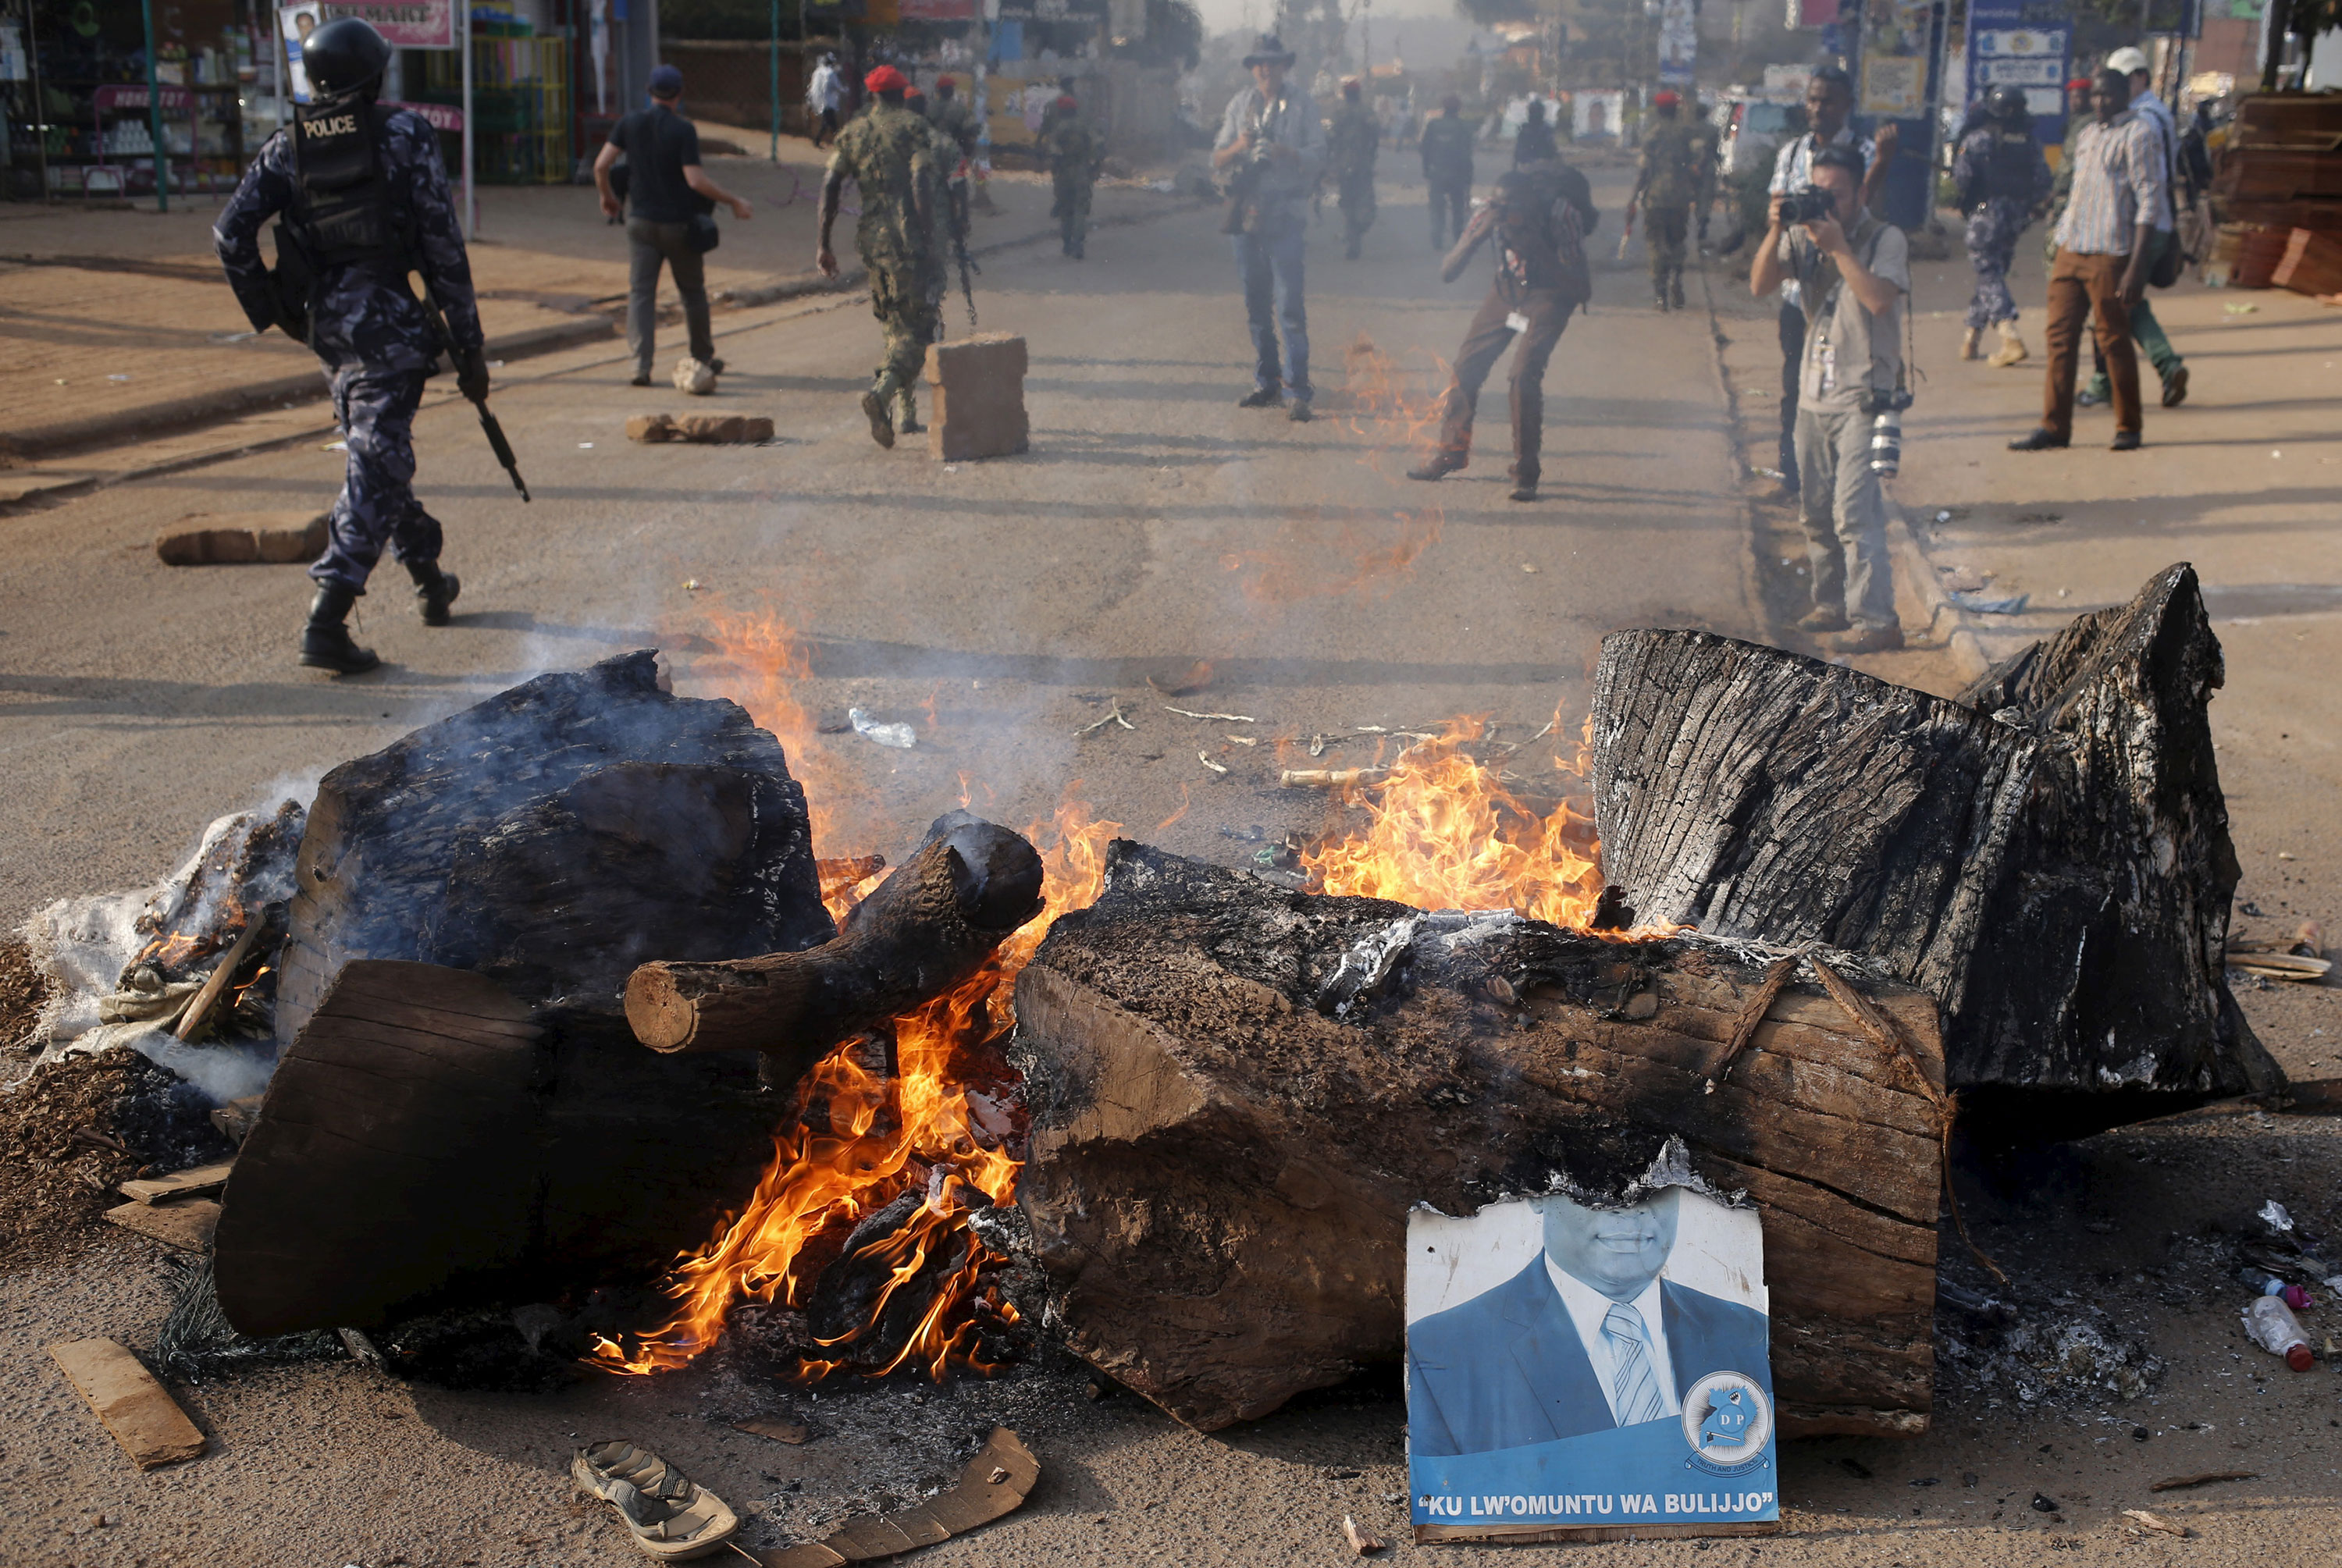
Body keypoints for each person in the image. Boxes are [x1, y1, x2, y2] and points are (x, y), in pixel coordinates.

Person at [213, 16, 481, 676]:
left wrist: (276, 311)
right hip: (391, 324)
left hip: (330, 330)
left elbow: (229, 234)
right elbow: (442, 246)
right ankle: (329, 616)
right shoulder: (404, 134)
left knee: (376, 449)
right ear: (375, 74)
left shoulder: (288, 147)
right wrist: (469, 344)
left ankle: (428, 575)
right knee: (376, 454)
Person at [1407, 1189, 1771, 1456]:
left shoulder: (1748, 1334)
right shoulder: (1442, 1350)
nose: (1629, 1205)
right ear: (1534, 1190)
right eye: (1593, 1181)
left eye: (1659, 1179)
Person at [1749, 140, 1911, 653]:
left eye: (1836, 193)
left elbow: (1879, 299)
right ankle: (1831, 604)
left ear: (1861, 191)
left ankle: (1879, 620)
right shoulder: (1806, 236)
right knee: (1815, 511)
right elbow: (1759, 284)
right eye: (1818, 192)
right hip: (1814, 393)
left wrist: (1840, 246)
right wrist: (1778, 225)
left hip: (1864, 394)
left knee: (1854, 513)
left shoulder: (1885, 237)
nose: (1826, 201)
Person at [1402, 168, 1593, 503]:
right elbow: (1448, 272)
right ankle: (1451, 452)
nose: (1512, 218)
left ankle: (1525, 472)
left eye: (1519, 209)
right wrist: (1478, 236)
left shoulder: (1561, 214)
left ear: (1534, 202)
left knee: (1523, 375)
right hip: (1507, 290)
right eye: (1506, 210)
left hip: (1550, 292)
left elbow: (1582, 288)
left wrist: (1540, 251)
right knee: (1466, 367)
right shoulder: (1490, 214)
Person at [2010, 69, 2166, 453]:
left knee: (2112, 339)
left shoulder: (2139, 133)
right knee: (2059, 338)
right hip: (2071, 245)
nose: (2100, 101)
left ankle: (2129, 425)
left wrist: (2135, 266)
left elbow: (2149, 200)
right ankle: (2055, 427)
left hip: (2110, 251)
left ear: (2124, 94)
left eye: (2108, 94)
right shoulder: (2087, 134)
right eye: (2096, 95)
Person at [1764, 66, 1894, 496]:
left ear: (1847, 106)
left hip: (1846, 293)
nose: (1818, 108)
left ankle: (1845, 482)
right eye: (1813, 99)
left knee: (1848, 392)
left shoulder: (1864, 150)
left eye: (1828, 101)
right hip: (1798, 291)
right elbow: (1780, 211)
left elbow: (1865, 206)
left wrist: (1882, 164)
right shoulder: (1791, 152)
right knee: (1795, 388)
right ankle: (1794, 478)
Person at [595, 66, 752, 390]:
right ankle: (702, 359)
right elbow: (695, 180)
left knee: (641, 294)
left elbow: (601, 165)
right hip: (678, 226)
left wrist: (608, 197)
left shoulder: (629, 123)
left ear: (648, 92)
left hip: (639, 223)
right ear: (678, 95)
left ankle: (640, 365)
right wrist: (734, 200)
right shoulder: (683, 130)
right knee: (693, 294)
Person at [817, 62, 938, 448]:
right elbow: (921, 179)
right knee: (919, 328)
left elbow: (831, 184)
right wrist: (929, 236)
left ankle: (907, 415)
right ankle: (883, 393)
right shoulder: (913, 127)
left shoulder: (851, 132)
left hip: (872, 241)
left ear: (871, 95)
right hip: (907, 240)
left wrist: (823, 243)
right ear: (903, 93)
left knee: (892, 322)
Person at [1212, 33, 1327, 421]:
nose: (1265, 69)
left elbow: (1320, 153)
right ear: (1253, 68)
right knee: (1256, 304)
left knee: (1289, 305)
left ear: (1284, 67)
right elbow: (1217, 157)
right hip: (1246, 216)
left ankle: (1297, 390)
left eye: (1273, 62)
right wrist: (1240, 147)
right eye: (1259, 63)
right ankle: (1267, 382)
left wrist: (1288, 153)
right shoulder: (1239, 105)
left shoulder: (1303, 104)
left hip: (1286, 214)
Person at [2077, 46, 2187, 408]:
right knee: (2126, 303)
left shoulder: (2142, 122)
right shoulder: (2157, 112)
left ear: (2138, 78)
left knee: (2110, 304)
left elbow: (2144, 188)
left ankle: (2104, 381)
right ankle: (2165, 366)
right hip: (2151, 222)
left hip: (2137, 226)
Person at [1952, 84, 2051, 364]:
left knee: (1988, 275)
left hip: (1984, 218)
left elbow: (1962, 180)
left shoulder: (1977, 140)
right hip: (2016, 219)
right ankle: (1971, 338)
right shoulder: (2030, 143)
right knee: (1992, 275)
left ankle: (2010, 334)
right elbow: (2043, 182)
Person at [1629, 88, 1700, 310]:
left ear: (1659, 111)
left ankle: (1660, 295)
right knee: (1677, 242)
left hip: (1655, 200)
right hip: (1680, 199)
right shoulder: (1686, 135)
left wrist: (1632, 199)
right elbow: (1696, 166)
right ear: (1676, 110)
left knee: (1655, 245)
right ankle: (1677, 280)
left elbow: (1643, 171)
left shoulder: (1651, 137)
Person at [1042, 92, 1101, 259]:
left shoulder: (1059, 128)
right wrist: (1095, 165)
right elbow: (1096, 147)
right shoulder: (1085, 126)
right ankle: (1079, 244)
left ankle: (1067, 243)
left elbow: (1053, 150)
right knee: (1080, 208)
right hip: (1082, 172)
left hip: (1063, 173)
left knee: (1065, 209)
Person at [1329, 76, 1379, 260]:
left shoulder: (1338, 113)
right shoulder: (1366, 111)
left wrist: (1331, 164)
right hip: (1362, 164)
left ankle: (1353, 239)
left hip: (1344, 165)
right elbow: (1376, 134)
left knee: (1348, 204)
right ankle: (1355, 235)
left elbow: (1331, 138)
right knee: (1364, 203)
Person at [1418, 93, 1475, 250]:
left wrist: (1426, 169)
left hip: (1437, 173)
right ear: (1459, 108)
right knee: (1458, 206)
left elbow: (1424, 150)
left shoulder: (1433, 125)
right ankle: (1458, 237)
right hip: (1457, 174)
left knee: (1437, 207)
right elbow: (1467, 154)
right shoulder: (1464, 127)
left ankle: (1437, 238)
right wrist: (1469, 177)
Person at [1688, 95, 1721, 247]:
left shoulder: (1687, 129)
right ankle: (1702, 221)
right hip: (1707, 168)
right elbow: (1714, 150)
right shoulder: (1713, 130)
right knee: (1705, 198)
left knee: (1691, 195)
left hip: (1688, 168)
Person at [806, 52, 844, 148]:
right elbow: (838, 87)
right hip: (829, 103)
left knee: (829, 123)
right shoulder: (831, 74)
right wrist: (847, 90)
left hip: (820, 102)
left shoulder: (818, 72)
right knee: (830, 124)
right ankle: (839, 142)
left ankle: (819, 141)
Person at [1512, 96, 1557, 168]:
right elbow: (1518, 152)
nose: (1535, 115)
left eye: (1537, 112)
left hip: (1544, 166)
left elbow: (1552, 149)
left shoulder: (1547, 129)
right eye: (1533, 112)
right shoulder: (1524, 129)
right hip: (1526, 166)